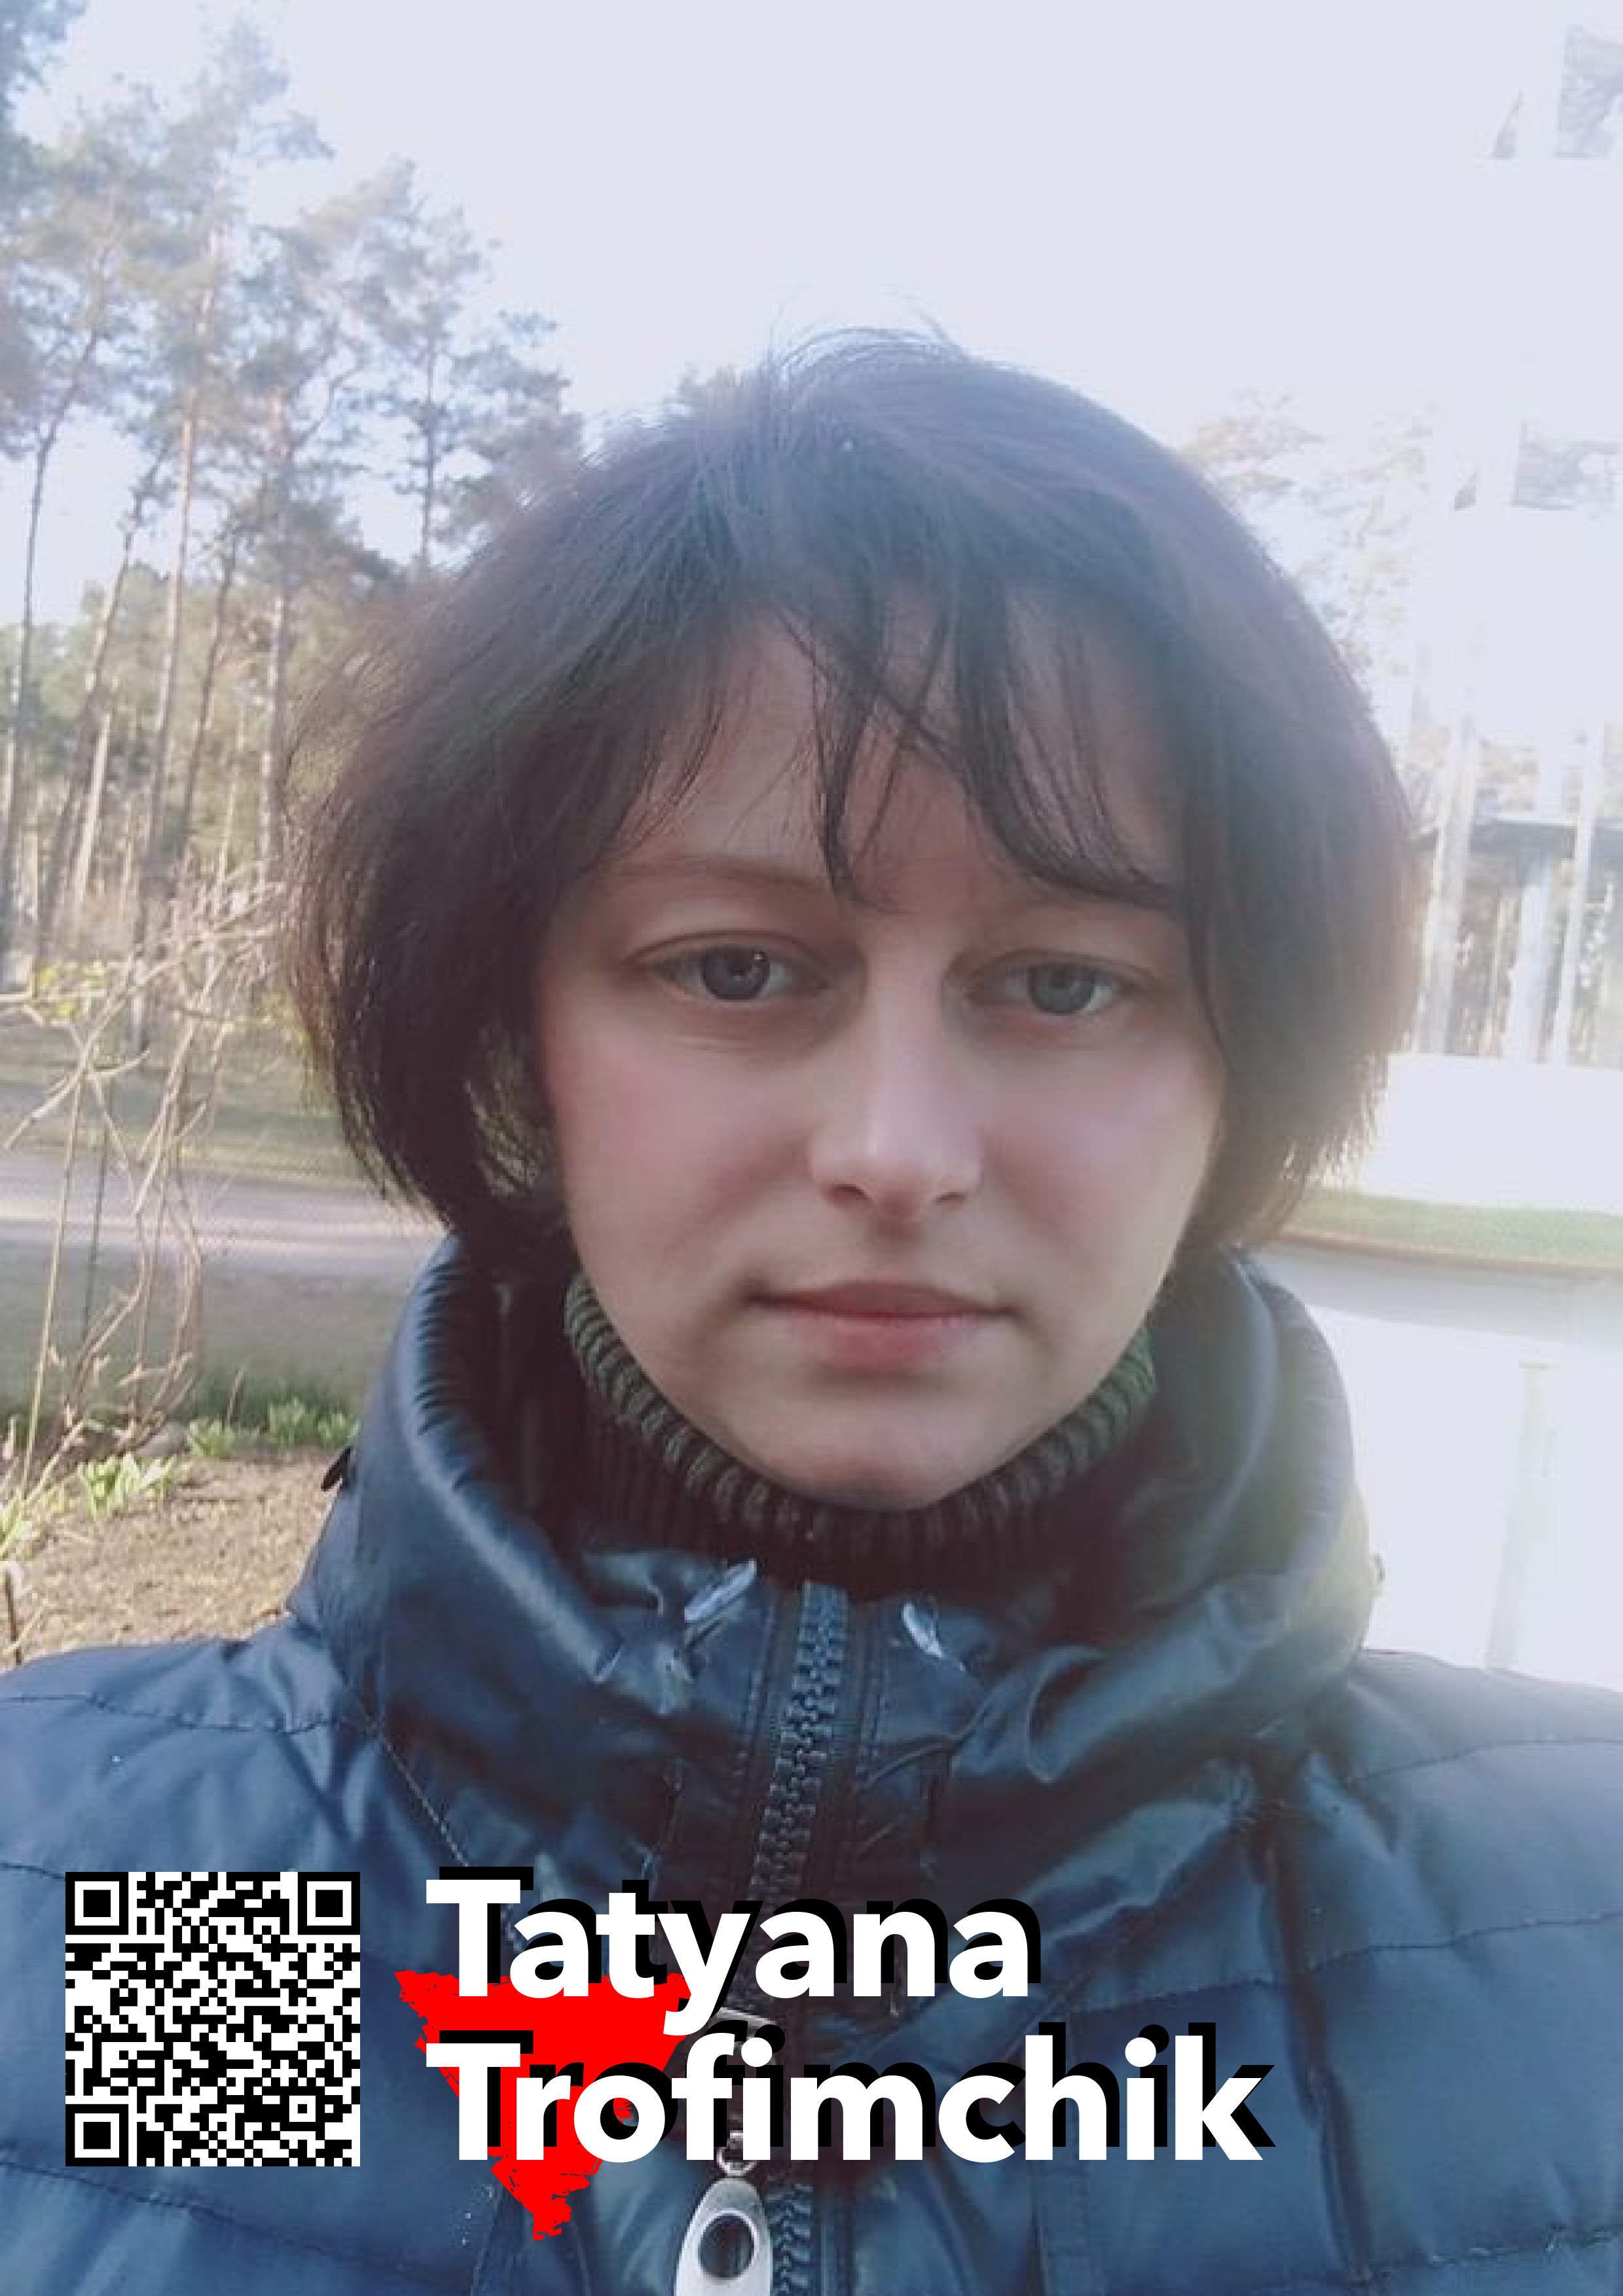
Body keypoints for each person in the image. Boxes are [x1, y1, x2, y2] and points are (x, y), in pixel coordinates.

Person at [4, 333, 1621, 2296]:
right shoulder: (141, 1899)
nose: (898, 1149)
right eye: (738, 966)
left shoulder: (1578, 1930)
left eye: (1065, 984)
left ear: (1239, 1067)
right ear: (520, 1040)